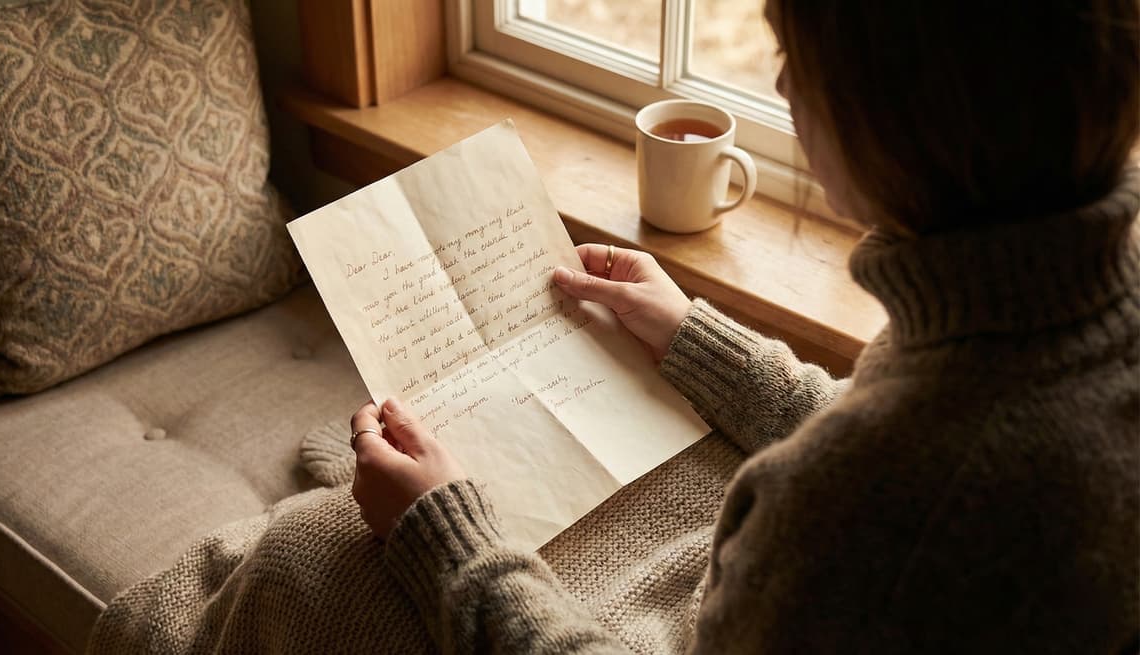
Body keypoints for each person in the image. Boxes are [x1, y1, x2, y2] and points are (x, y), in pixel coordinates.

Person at [348, 1, 1140, 652]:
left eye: (800, 56)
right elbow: (911, 444)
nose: (787, 82)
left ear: (906, 109)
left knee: (309, 561)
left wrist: (447, 541)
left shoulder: (850, 507)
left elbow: (895, 485)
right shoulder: (1060, 307)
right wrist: (697, 340)